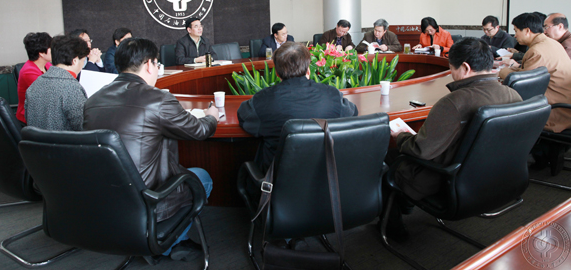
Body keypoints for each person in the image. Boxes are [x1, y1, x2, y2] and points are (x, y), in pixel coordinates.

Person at [83, 37, 219, 261]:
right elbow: (200, 131)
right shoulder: (158, 98)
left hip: (103, 198)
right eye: (157, 64)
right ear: (149, 64)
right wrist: (211, 116)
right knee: (202, 178)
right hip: (148, 200)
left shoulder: (93, 100)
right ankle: (166, 244)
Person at [387, 38, 522, 240]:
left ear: (465, 67)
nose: (451, 73)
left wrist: (401, 136)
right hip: (497, 178)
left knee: (388, 159)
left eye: (451, 68)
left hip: (449, 180)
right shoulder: (513, 95)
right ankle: (406, 203)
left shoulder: (454, 102)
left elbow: (421, 150)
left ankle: (393, 228)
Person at [238, 41, 358, 173]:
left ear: (277, 72)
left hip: (278, 180)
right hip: (326, 179)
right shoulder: (332, 95)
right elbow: (353, 113)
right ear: (308, 69)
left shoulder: (263, 100)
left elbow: (244, 117)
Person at [499, 13, 571, 174]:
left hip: (556, 110)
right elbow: (530, 72)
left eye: (516, 30)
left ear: (527, 30)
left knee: (504, 114)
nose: (515, 35)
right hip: (563, 102)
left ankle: (510, 167)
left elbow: (522, 83)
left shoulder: (537, 50)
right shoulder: (551, 43)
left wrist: (502, 71)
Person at [25, 35, 90, 131]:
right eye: (83, 61)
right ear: (75, 61)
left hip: (37, 140)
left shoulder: (34, 85)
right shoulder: (72, 87)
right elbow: (84, 127)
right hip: (65, 140)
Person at [16, 32, 52, 125]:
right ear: (41, 53)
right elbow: (49, 93)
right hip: (31, 117)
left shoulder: (47, 65)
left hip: (45, 112)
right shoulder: (29, 71)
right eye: (51, 47)